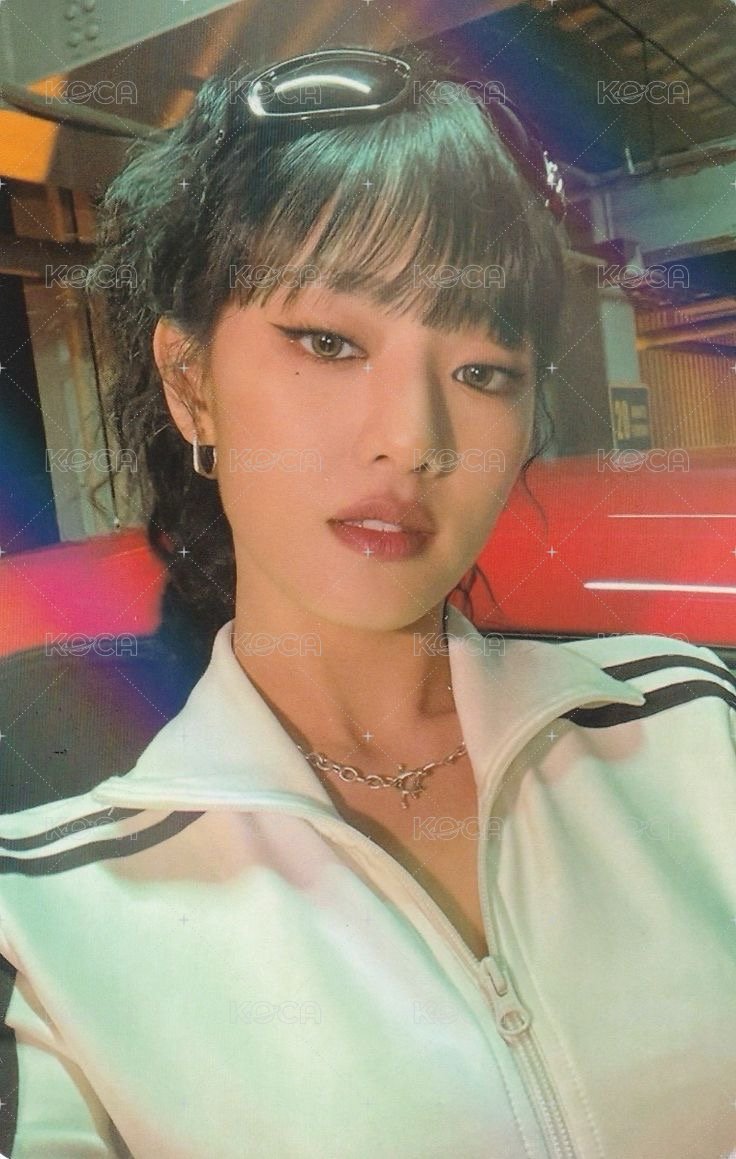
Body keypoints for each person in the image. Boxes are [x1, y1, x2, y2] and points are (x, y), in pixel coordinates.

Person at [0, 44, 734, 1159]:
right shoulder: (55, 910)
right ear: (192, 384)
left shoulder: (697, 728)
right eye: (329, 342)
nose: (412, 438)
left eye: (482, 371)